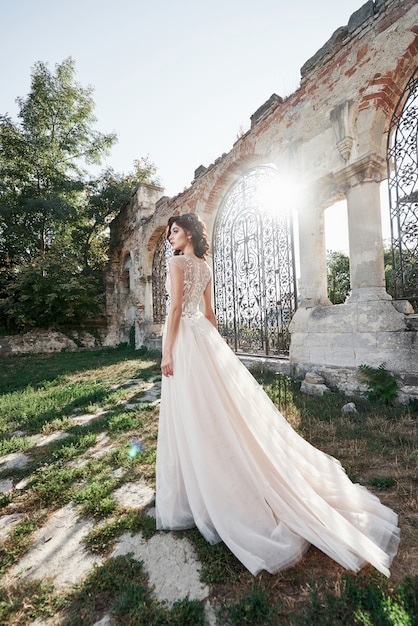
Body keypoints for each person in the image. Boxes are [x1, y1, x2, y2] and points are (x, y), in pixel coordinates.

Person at [155, 212, 400, 577]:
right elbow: (210, 314)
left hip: (186, 341)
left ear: (187, 233)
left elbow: (176, 309)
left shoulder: (177, 263)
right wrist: (217, 351)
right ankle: (207, 481)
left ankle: (204, 490)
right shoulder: (204, 266)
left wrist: (168, 351)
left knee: (195, 412)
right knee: (217, 411)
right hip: (203, 340)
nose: (171, 238)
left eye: (174, 231)